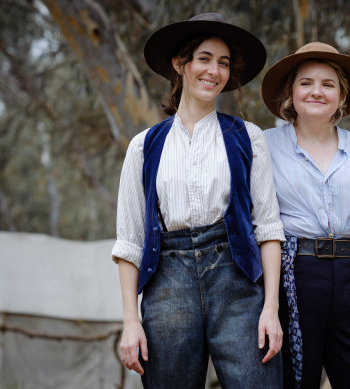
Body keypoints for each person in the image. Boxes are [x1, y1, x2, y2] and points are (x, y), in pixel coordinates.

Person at [111, 13, 284, 388]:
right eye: (204, 58)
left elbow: (268, 228)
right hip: (167, 284)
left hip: (237, 281)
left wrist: (271, 308)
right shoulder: (144, 146)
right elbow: (129, 242)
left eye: (223, 63)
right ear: (180, 64)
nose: (214, 71)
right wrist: (130, 321)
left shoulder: (248, 137)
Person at [261, 42, 350, 389]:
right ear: (290, 93)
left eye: (328, 84)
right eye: (306, 82)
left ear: (341, 97)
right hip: (293, 282)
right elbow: (261, 228)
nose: (316, 91)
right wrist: (268, 307)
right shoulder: (263, 146)